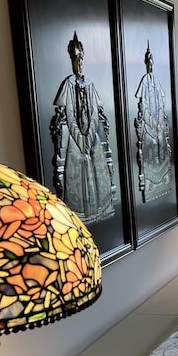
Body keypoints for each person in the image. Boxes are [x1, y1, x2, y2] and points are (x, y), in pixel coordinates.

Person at [51, 31, 116, 223]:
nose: (78, 64)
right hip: (74, 138)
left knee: (97, 166)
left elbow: (95, 112)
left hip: (91, 136)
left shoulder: (90, 84)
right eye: (76, 59)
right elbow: (68, 115)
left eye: (81, 59)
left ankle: (101, 207)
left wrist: (88, 137)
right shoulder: (68, 84)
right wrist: (80, 138)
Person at [134, 41, 171, 202]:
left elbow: (161, 104)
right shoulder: (145, 81)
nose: (150, 66)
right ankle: (149, 185)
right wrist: (151, 122)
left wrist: (158, 123)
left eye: (151, 62)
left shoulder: (156, 81)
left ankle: (163, 179)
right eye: (148, 63)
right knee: (149, 148)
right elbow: (143, 105)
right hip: (149, 126)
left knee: (161, 147)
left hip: (158, 126)